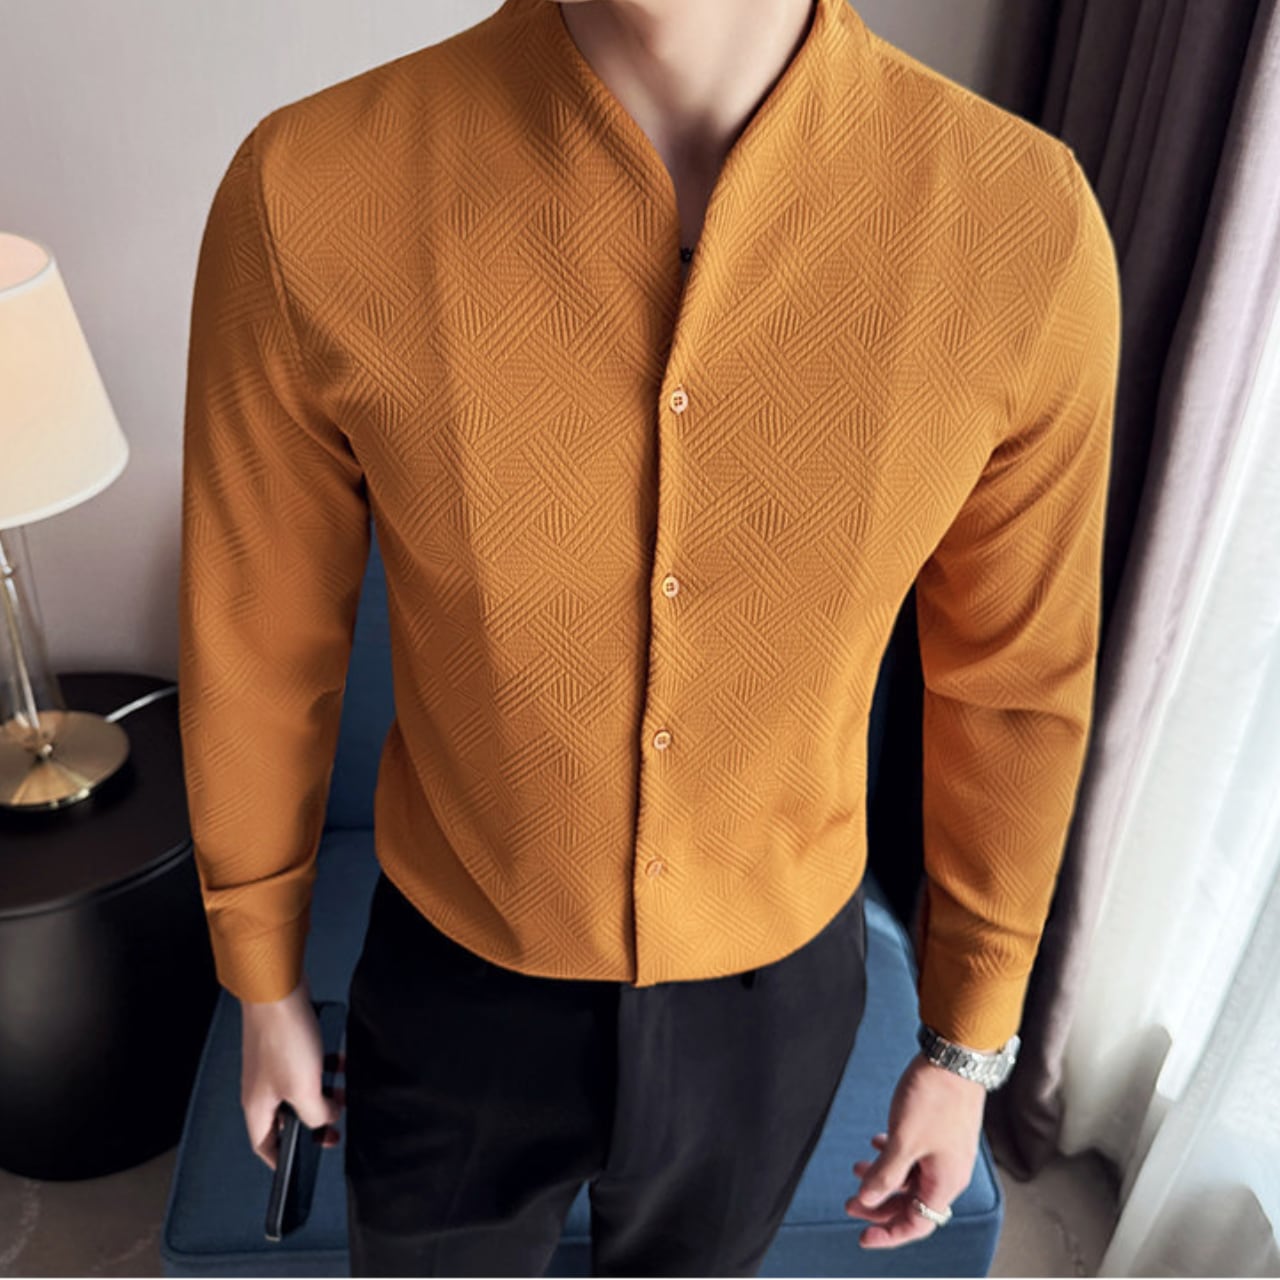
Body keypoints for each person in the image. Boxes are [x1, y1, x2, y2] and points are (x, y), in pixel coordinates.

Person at [177, 0, 1121, 1274]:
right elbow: (255, 635)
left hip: (774, 998)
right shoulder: (308, 191)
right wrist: (261, 975)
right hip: (456, 973)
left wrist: (965, 1043)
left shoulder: (1022, 226)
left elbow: (1013, 681)